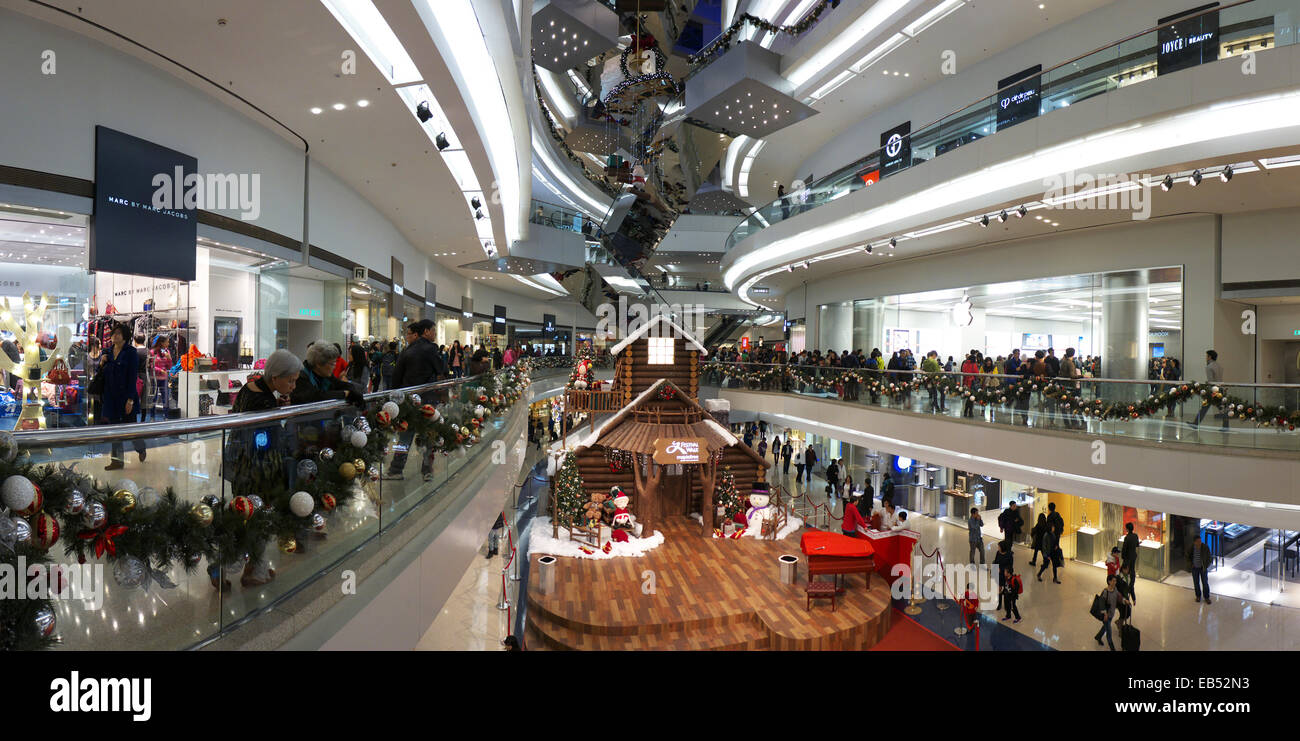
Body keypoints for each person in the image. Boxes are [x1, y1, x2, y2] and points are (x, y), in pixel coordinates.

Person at [100, 323, 147, 470]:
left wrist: (130, 400)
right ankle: (117, 461)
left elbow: (132, 377)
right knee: (114, 430)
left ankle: (140, 447)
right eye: (114, 333)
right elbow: (101, 372)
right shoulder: (107, 351)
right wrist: (101, 362)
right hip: (111, 397)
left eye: (119, 333)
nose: (115, 335)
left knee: (131, 429)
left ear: (125, 336)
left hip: (127, 396)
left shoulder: (131, 352)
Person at [291, 342, 366, 406]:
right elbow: (315, 397)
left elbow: (340, 384)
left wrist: (353, 391)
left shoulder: (326, 375)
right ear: (318, 363)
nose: (334, 367)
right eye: (332, 364)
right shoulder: (301, 376)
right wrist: (345, 393)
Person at [1191, 350, 1228, 430]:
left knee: (1205, 407)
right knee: (1222, 408)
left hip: (1213, 390)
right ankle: (1225, 426)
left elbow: (1211, 381)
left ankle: (1195, 424)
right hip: (1220, 388)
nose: (1205, 358)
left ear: (1209, 357)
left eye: (1206, 356)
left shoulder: (1209, 367)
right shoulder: (1219, 366)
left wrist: (1208, 385)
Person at [1095, 574, 1130, 651]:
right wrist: (1105, 614)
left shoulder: (1115, 589)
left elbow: (1119, 598)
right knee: (1109, 633)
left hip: (1111, 614)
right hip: (1106, 615)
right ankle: (1112, 648)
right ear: (1109, 581)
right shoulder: (1105, 591)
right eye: (1113, 581)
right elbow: (1101, 604)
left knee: (1105, 627)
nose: (1115, 582)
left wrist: (1125, 601)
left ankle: (1098, 637)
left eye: (1115, 581)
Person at [1189, 534, 1212, 604]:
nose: (1200, 543)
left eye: (1200, 541)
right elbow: (1187, 556)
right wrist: (1191, 565)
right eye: (1198, 541)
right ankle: (1198, 596)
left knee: (1205, 583)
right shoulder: (1191, 548)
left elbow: (1209, 557)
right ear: (1194, 542)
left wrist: (1206, 565)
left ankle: (1207, 597)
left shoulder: (1205, 547)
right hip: (1195, 568)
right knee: (1196, 583)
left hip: (1203, 568)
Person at [993, 540, 1013, 610]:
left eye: (999, 546)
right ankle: (999, 603)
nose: (998, 548)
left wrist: (1002, 570)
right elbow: (995, 561)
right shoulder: (998, 553)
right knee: (999, 589)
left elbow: (1010, 566)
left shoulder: (1009, 555)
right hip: (999, 575)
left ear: (1003, 547)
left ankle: (1007, 604)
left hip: (1006, 575)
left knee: (1006, 590)